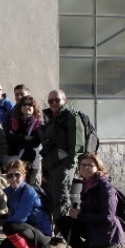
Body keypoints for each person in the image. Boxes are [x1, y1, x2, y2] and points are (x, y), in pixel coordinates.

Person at [55, 153, 125, 248]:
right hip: (92, 227)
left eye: (90, 165)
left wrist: (80, 215)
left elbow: (107, 216)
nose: (86, 168)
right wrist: (77, 213)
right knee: (63, 221)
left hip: (106, 234)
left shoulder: (105, 187)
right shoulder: (88, 182)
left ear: (98, 167)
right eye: (83, 165)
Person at [0, 160, 52, 248]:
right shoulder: (10, 192)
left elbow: (20, 218)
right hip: (25, 229)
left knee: (9, 226)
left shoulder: (28, 192)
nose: (14, 178)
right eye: (10, 175)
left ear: (24, 176)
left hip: (40, 233)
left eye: (17, 175)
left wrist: (6, 222)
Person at [40, 89, 85, 223]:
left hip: (63, 166)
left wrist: (69, 164)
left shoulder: (71, 116)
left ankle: (61, 235)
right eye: (50, 100)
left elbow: (77, 144)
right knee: (51, 200)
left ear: (64, 100)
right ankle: (53, 232)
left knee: (61, 201)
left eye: (57, 100)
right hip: (51, 166)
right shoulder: (52, 117)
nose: (53, 103)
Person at [6, 95, 42, 185]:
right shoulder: (15, 122)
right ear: (20, 107)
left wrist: (17, 138)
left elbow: (35, 142)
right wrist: (23, 138)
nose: (27, 107)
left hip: (31, 162)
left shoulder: (39, 123)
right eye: (24, 104)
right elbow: (9, 137)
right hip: (15, 161)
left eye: (30, 104)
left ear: (34, 107)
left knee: (30, 187)